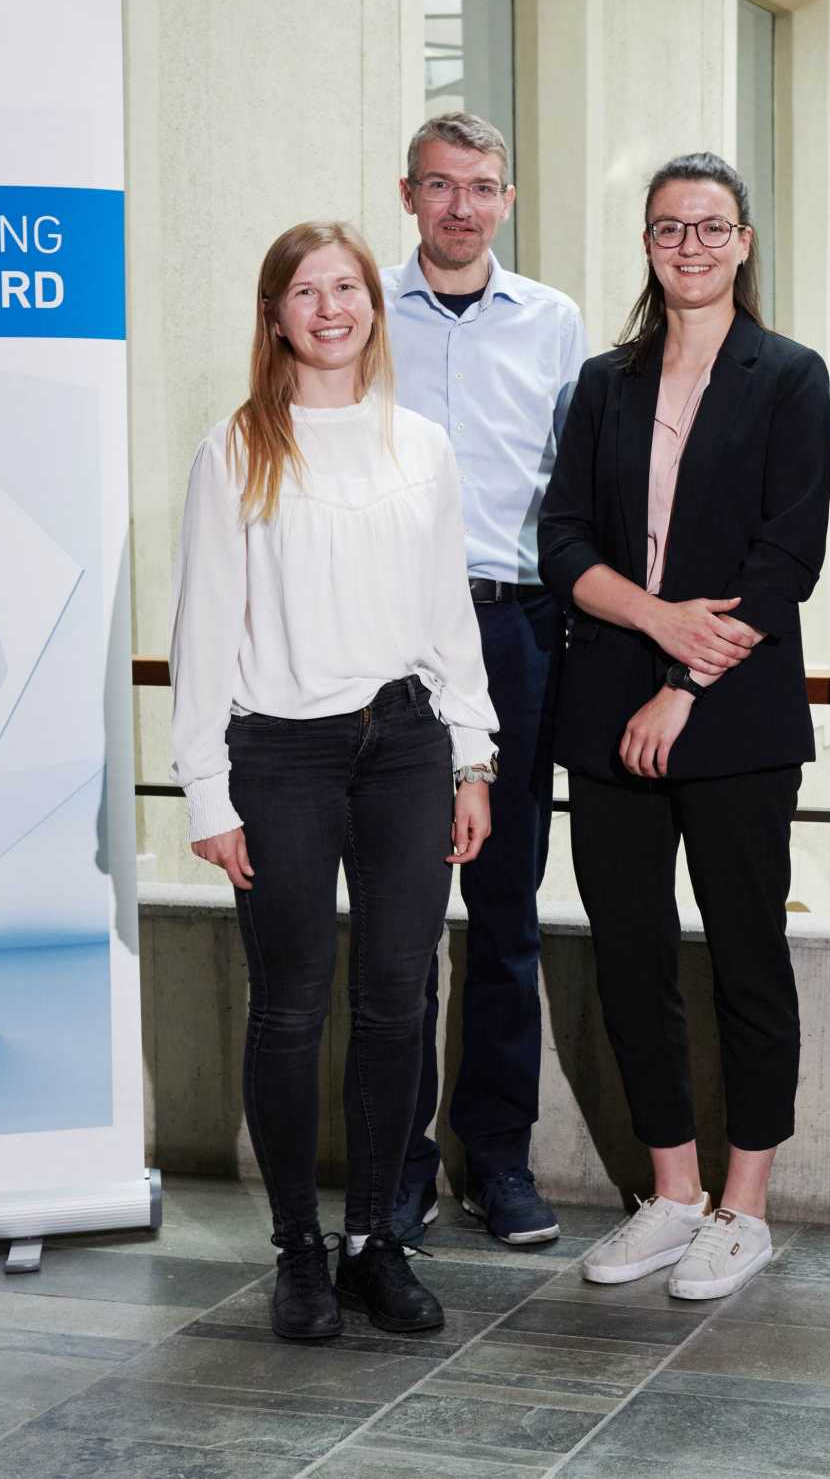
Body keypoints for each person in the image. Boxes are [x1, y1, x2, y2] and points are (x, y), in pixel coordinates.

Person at [171, 221, 498, 1341]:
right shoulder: (235, 451)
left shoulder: (422, 447)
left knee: (398, 997)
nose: (329, 307)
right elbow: (204, 628)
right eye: (305, 291)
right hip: (280, 755)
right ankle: (298, 1252)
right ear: (275, 316)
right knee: (291, 1005)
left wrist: (472, 755)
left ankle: (372, 1240)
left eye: (347, 286)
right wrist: (205, 791)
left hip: (405, 744)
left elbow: (448, 619)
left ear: (372, 304)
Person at [540, 151, 830, 1302]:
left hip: (734, 713)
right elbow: (563, 543)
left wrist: (683, 681)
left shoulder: (790, 377)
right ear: (649, 243)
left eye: (713, 227)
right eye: (671, 228)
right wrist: (655, 620)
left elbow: (787, 561)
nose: (692, 246)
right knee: (629, 958)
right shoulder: (604, 383)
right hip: (606, 703)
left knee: (748, 958)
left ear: (745, 241)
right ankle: (669, 1194)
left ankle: (744, 1206)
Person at [383, 111, 588, 1249]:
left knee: (507, 914)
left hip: (517, 635)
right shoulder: (359, 310)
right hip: (392, 641)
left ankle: (497, 1160)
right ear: (407, 194)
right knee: (403, 923)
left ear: (508, 200)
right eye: (440, 185)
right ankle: (398, 1160)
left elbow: (579, 486)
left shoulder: (553, 323)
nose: (461, 206)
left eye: (482, 187)